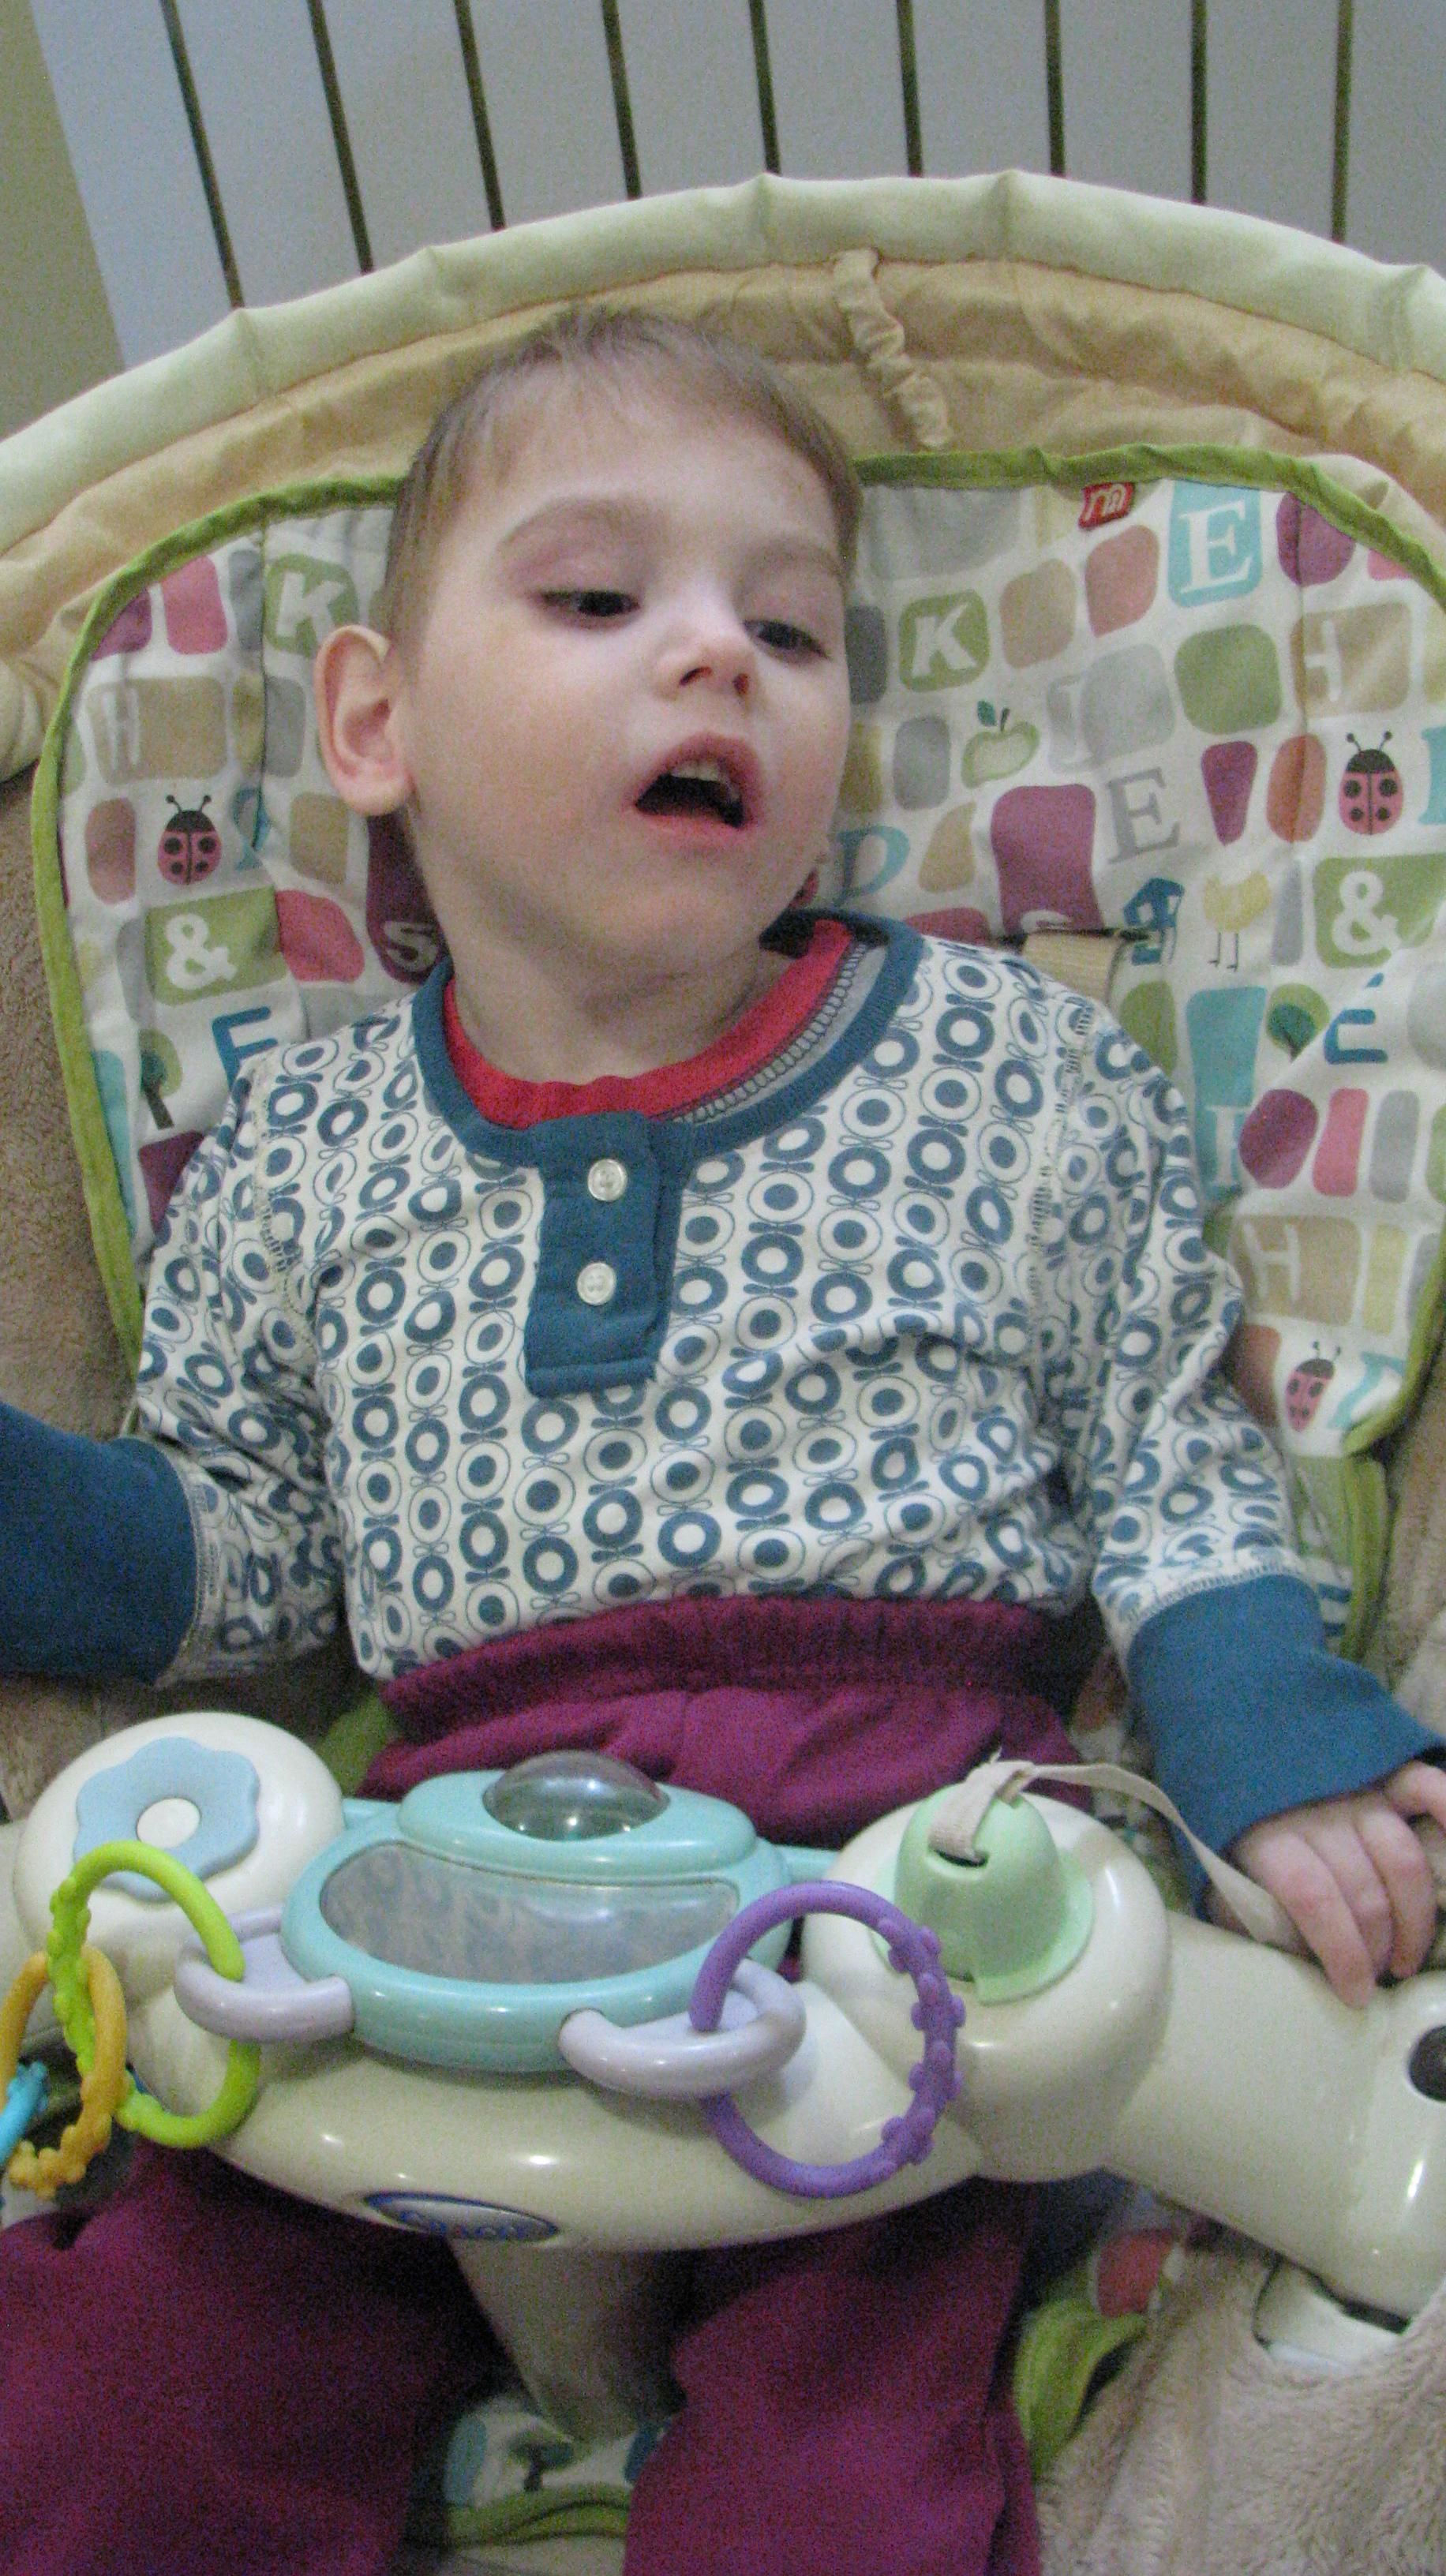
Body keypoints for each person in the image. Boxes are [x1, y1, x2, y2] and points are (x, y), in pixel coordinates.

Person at [2, 308, 1444, 2576]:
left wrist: (1269, 1727)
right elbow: (241, 1548)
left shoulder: (1004, 1064)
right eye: (599, 598)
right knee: (122, 2392)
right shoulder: (301, 1144)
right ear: (374, 724)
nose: (714, 659)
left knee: (841, 2488)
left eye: (789, 630)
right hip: (432, 1879)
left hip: (884, 1895)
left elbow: (1167, 1456)